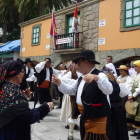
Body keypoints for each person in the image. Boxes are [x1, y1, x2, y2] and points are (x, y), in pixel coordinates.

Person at [52, 50, 113, 140]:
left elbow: (109, 90)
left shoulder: (100, 75)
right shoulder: (81, 78)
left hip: (96, 119)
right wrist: (59, 83)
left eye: (78, 62)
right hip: (85, 117)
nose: (77, 65)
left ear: (86, 61)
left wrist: (97, 78)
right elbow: (71, 90)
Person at [0, 59, 54, 140]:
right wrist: (46, 107)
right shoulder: (14, 92)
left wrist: (22, 94)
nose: (23, 75)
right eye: (22, 72)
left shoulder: (6, 87)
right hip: (13, 134)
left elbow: (13, 108)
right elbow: (26, 117)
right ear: (16, 75)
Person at [103, 64, 130, 140]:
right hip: (111, 109)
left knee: (117, 130)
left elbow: (125, 92)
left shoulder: (116, 83)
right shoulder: (111, 84)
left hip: (116, 109)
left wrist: (119, 83)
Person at [127, 60, 140, 139]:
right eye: (134, 66)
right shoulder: (134, 75)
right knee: (135, 112)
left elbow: (139, 88)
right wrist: (130, 94)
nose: (134, 68)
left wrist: (133, 95)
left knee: (139, 112)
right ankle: (137, 130)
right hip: (133, 95)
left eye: (136, 66)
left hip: (138, 96)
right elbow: (130, 85)